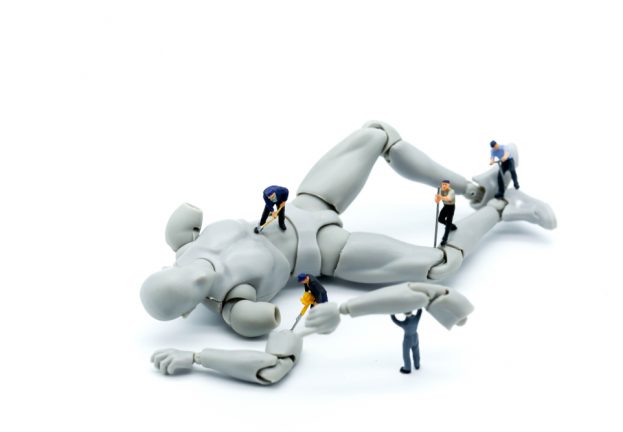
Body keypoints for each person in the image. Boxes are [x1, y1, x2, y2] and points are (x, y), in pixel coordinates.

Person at [391, 309, 422, 374]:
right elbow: (420, 311)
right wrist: (419, 306)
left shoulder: (405, 323)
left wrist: (392, 313)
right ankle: (417, 365)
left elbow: (395, 320)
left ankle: (407, 368)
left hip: (407, 340)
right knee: (416, 351)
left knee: (406, 354)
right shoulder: (416, 318)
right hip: (415, 337)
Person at [435, 180, 457, 246]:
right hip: (445, 206)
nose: (444, 186)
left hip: (451, 207)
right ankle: (452, 226)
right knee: (440, 219)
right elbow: (437, 200)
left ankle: (444, 240)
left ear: (448, 185)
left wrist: (440, 197)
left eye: (445, 184)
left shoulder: (451, 191)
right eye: (443, 184)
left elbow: (448, 198)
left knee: (448, 222)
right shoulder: (441, 190)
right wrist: (437, 198)